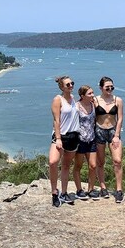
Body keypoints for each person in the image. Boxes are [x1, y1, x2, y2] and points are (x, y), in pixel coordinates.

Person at [49, 75, 80, 207]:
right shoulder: (58, 99)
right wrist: (58, 138)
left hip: (73, 136)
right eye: (68, 84)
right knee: (53, 162)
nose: (71, 86)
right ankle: (54, 192)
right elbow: (56, 120)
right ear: (62, 87)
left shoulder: (74, 99)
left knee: (66, 166)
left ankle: (64, 193)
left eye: (72, 83)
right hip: (61, 136)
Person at [95, 76, 125, 203]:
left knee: (117, 161)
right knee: (100, 162)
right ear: (101, 87)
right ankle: (103, 187)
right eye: (107, 87)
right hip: (99, 130)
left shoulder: (118, 100)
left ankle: (119, 190)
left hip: (113, 131)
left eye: (112, 87)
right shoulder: (95, 100)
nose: (110, 89)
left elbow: (120, 118)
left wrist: (117, 135)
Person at [72, 85, 99, 200]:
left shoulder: (94, 105)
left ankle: (91, 189)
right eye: (89, 93)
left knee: (93, 165)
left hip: (91, 139)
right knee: (78, 166)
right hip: (80, 140)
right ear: (82, 96)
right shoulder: (77, 107)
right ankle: (79, 189)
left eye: (93, 93)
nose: (92, 95)